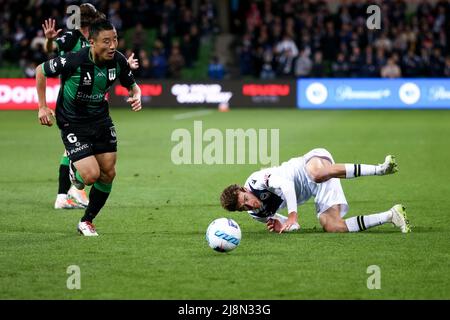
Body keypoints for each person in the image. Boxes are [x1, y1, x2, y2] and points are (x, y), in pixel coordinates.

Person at [36, 19, 142, 236]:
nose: (112, 45)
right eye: (106, 41)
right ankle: (75, 171)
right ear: (92, 42)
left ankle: (87, 221)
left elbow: (133, 86)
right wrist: (42, 107)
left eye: (114, 39)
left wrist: (136, 95)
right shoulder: (74, 60)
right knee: (91, 175)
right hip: (72, 122)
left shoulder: (118, 61)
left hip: (101, 121)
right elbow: (40, 70)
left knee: (109, 173)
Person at [220, 148, 411, 234]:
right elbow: (294, 226)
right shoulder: (258, 214)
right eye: (244, 207)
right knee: (333, 227)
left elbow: (286, 186)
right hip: (317, 190)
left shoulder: (256, 180)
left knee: (317, 174)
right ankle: (392, 216)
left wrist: (292, 215)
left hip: (309, 164)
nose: (249, 204)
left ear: (245, 189)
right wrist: (284, 225)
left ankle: (381, 169)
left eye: (246, 198)